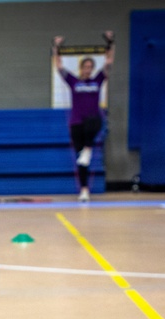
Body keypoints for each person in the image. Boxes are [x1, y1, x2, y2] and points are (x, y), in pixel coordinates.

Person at [53, 33, 114, 203]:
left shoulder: (97, 81)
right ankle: (84, 190)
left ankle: (88, 147)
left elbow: (108, 63)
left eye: (90, 67)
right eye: (85, 67)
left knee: (96, 120)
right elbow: (58, 66)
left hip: (92, 120)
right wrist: (56, 47)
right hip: (76, 123)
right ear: (81, 68)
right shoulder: (73, 81)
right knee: (82, 162)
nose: (88, 69)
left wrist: (110, 43)